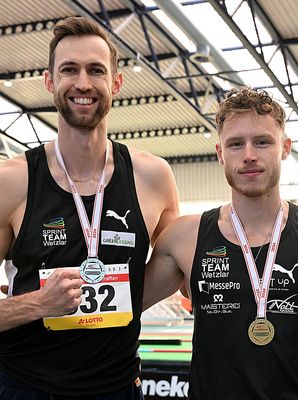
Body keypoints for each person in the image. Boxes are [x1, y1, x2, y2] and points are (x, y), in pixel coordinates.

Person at [144, 86, 298, 399]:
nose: (249, 155)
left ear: (285, 147)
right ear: (220, 154)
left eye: (262, 142)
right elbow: (126, 307)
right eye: (236, 144)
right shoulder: (184, 238)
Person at [0, 16, 178, 399]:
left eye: (96, 70)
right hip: (26, 386)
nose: (83, 83)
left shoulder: (153, 177)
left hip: (116, 387)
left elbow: (176, 266)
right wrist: (37, 304)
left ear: (115, 82)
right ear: (50, 81)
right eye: (69, 70)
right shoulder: (12, 181)